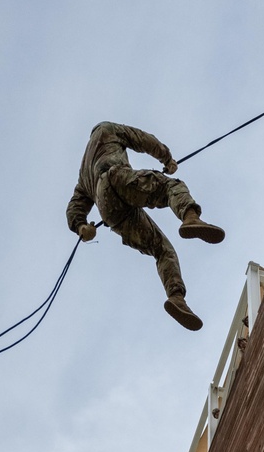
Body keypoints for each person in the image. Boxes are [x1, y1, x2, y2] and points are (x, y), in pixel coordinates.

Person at [66, 121, 226, 332]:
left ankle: (176, 298)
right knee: (171, 186)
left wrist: (81, 227)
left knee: (161, 249)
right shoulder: (107, 129)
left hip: (110, 211)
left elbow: (74, 207)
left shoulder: (83, 171)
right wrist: (166, 159)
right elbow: (142, 139)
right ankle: (190, 217)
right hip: (117, 177)